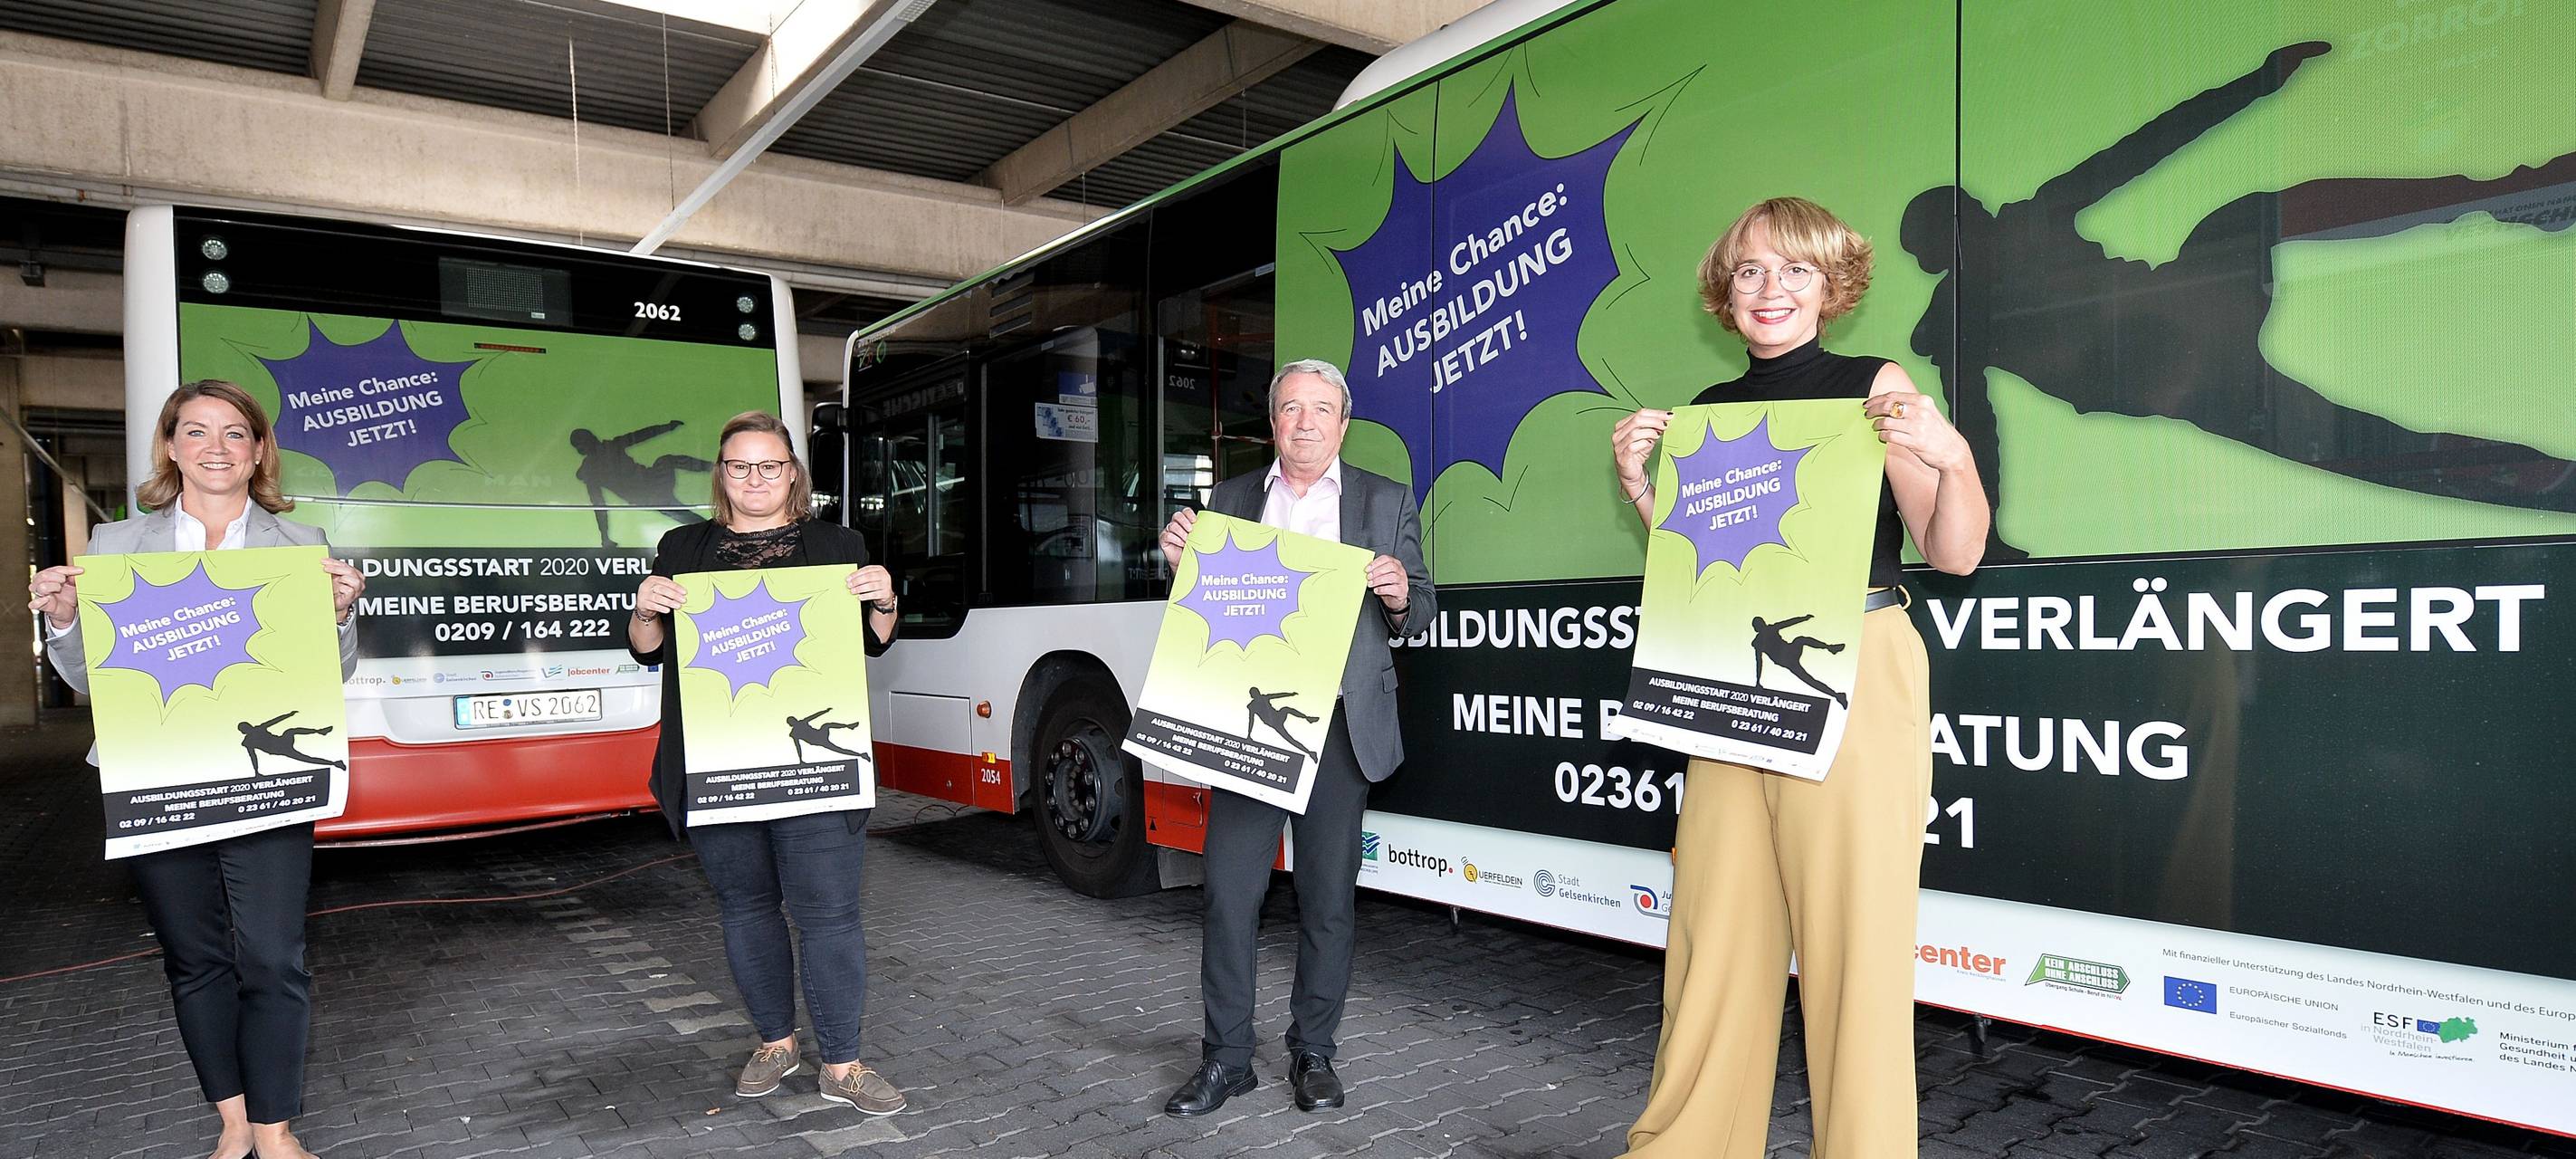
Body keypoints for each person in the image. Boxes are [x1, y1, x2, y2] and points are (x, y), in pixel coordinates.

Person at [1608, 198, 1989, 1158]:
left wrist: (1951, 459)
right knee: (1712, 936)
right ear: (1723, 293)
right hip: (1734, 673)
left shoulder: (1874, 387)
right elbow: (1709, 574)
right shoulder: (1704, 415)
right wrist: (1648, 495)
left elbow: (1954, 554)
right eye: (1747, 271)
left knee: (1852, 948)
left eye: (1793, 271)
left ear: (1832, 287)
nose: (1768, 289)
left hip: (1858, 668)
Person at [1897, 40, 2576, 556]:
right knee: (2350, 442)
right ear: (1942, 251)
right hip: (2177, 380)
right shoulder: (1959, 314)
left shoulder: (2031, 219)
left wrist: (2257, 85)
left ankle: (2507, 194)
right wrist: (1982, 538)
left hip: (2192, 309)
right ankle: (2544, 483)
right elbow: (1970, 431)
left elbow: (2147, 145)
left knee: (2242, 220)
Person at [28, 379, 366, 1159]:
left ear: (258, 452)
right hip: (158, 775)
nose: (216, 447)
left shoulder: (300, 545)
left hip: (265, 788)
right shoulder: (116, 547)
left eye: (236, 433)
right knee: (195, 957)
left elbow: (329, 674)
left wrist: (342, 614)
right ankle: (234, 1123)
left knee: (274, 957)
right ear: (171, 447)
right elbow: (87, 681)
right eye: (197, 431)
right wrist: (64, 620)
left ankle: (277, 1129)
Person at [1155, 359, 1436, 1118]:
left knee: (1327, 903)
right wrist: (1181, 565)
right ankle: (1227, 1060)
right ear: (1272, 422)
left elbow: (1424, 607)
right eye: (1289, 408)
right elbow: (1202, 611)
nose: (1304, 422)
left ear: (1343, 423)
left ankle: (1313, 1051)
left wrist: (1403, 594)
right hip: (1250, 733)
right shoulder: (1232, 499)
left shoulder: (1385, 498)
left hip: (1341, 730)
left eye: (1320, 408)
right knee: (1229, 896)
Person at [625, 410, 909, 1115]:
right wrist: (645, 608)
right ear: (721, 474)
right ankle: (775, 1042)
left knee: (830, 917)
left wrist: (885, 600)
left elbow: (874, 643)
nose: (756, 478)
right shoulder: (681, 546)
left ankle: (842, 1063)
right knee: (747, 908)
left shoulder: (837, 543)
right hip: (721, 766)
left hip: (811, 772)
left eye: (770, 465)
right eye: (740, 465)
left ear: (793, 474)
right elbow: (644, 647)